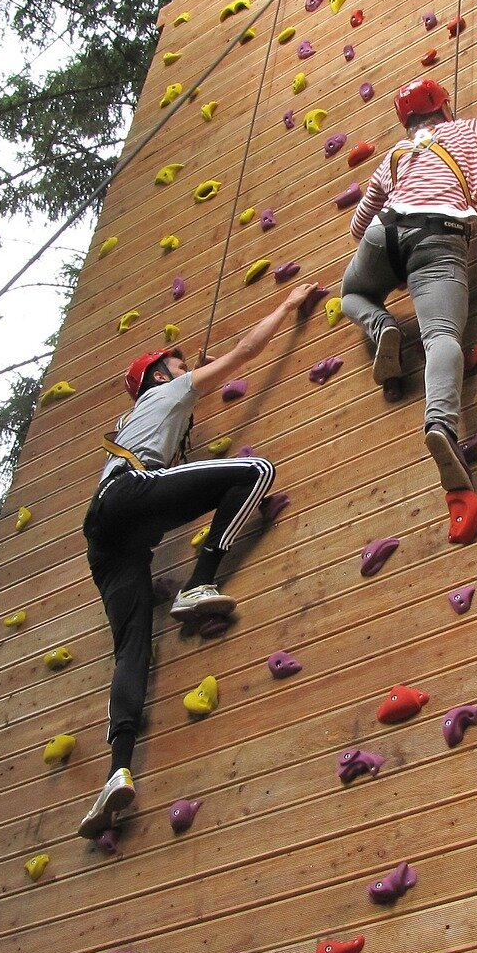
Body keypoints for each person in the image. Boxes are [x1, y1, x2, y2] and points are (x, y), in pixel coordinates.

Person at [77, 281, 313, 838]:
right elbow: (243, 355)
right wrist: (285, 305)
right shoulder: (166, 392)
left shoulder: (151, 414)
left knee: (131, 646)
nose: (186, 368)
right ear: (161, 375)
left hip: (106, 535)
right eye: (178, 364)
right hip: (132, 494)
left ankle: (117, 771)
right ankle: (198, 583)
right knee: (255, 473)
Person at [339, 77, 477, 537]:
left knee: (352, 296)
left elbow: (358, 226)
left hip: (384, 232)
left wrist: (392, 260)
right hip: (438, 237)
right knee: (441, 337)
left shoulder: (394, 157)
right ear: (445, 107)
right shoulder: (471, 130)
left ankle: (382, 327)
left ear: (407, 121)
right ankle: (441, 425)